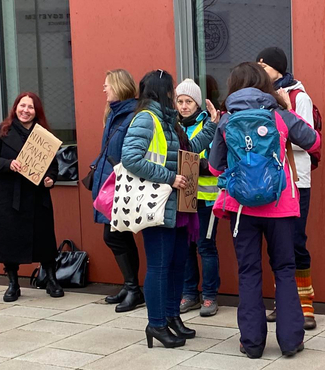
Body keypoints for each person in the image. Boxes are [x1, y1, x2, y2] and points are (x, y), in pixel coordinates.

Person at [208, 62, 321, 359]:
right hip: (281, 206)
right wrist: (287, 108)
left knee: (248, 272)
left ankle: (253, 343)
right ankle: (290, 340)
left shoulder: (226, 120)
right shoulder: (279, 115)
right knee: (284, 269)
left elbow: (214, 166)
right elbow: (314, 140)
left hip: (242, 210)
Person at [120, 70, 196, 349]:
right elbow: (130, 158)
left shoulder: (168, 121)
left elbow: (185, 153)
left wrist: (211, 126)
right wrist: (169, 177)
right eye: (172, 91)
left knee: (176, 264)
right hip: (156, 204)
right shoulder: (146, 118)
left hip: (173, 206)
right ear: (163, 92)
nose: (175, 96)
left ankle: (171, 317)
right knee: (160, 266)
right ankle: (156, 323)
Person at [256, 47, 319, 330]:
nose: (260, 68)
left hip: (296, 180)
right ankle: (284, 302)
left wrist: (288, 111)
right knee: (279, 243)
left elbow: (306, 137)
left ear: (279, 69)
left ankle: (305, 306)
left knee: (296, 240)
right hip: (273, 180)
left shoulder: (297, 95)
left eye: (264, 64)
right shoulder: (261, 98)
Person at [0, 92, 64, 302]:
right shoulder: (3, 131)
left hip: (37, 195)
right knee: (9, 239)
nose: (25, 111)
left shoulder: (43, 135)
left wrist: (50, 179)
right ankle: (13, 283)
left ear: (37, 112)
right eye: (22, 106)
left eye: (30, 107)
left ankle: (51, 279)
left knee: (44, 238)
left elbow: (53, 167)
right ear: (15, 107)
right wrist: (8, 164)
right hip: (10, 195)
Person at [92, 69, 143, 313]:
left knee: (115, 236)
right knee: (117, 235)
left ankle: (134, 289)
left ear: (120, 87)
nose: (104, 89)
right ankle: (129, 285)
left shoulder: (131, 115)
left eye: (107, 85)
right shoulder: (114, 113)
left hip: (121, 184)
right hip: (110, 182)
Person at [175, 78, 222, 317]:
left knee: (205, 246)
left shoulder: (210, 125)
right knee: (185, 247)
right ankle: (189, 294)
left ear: (198, 104)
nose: (184, 106)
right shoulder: (174, 126)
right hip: (183, 197)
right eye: (180, 101)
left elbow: (215, 161)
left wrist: (195, 164)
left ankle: (210, 296)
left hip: (206, 198)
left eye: (189, 101)